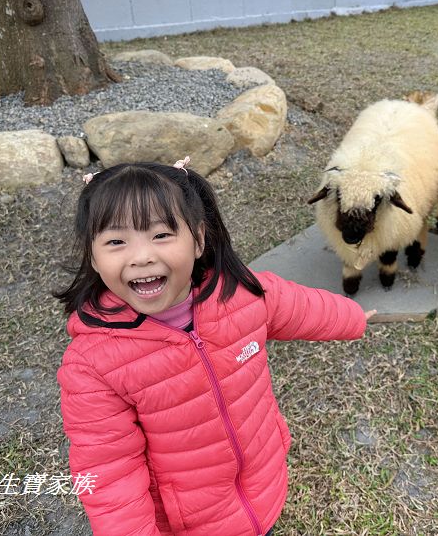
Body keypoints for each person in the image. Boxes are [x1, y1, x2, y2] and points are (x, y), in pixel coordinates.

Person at [55, 159, 375, 536]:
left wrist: (353, 318)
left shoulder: (239, 293)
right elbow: (109, 474)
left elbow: (299, 307)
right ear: (93, 257)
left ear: (199, 239)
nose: (140, 256)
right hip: (191, 524)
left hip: (262, 488)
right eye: (115, 241)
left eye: (161, 235)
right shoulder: (92, 364)